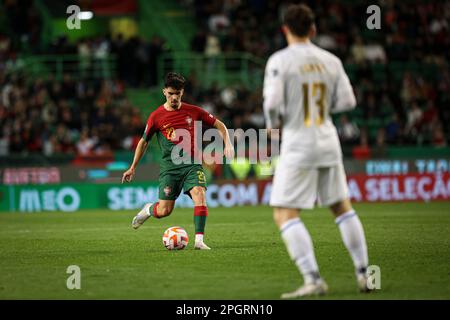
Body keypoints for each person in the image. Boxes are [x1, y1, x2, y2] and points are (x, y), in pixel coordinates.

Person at [263, 4, 371, 298]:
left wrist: (276, 125)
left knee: (285, 213)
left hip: (299, 142)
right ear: (313, 29)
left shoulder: (279, 61)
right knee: (341, 207)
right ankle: (364, 274)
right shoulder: (331, 60)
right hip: (327, 138)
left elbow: (272, 104)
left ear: (285, 29)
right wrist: (322, 111)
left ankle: (313, 279)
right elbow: (348, 101)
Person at [122, 72, 234, 250]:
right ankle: (148, 210)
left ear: (182, 93)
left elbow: (220, 125)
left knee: (199, 193)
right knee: (164, 210)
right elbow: (144, 142)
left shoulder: (194, 111)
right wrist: (132, 167)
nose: (174, 97)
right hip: (170, 169)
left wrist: (228, 144)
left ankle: (199, 241)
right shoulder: (156, 116)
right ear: (164, 92)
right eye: (171, 93)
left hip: (192, 165)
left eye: (178, 94)